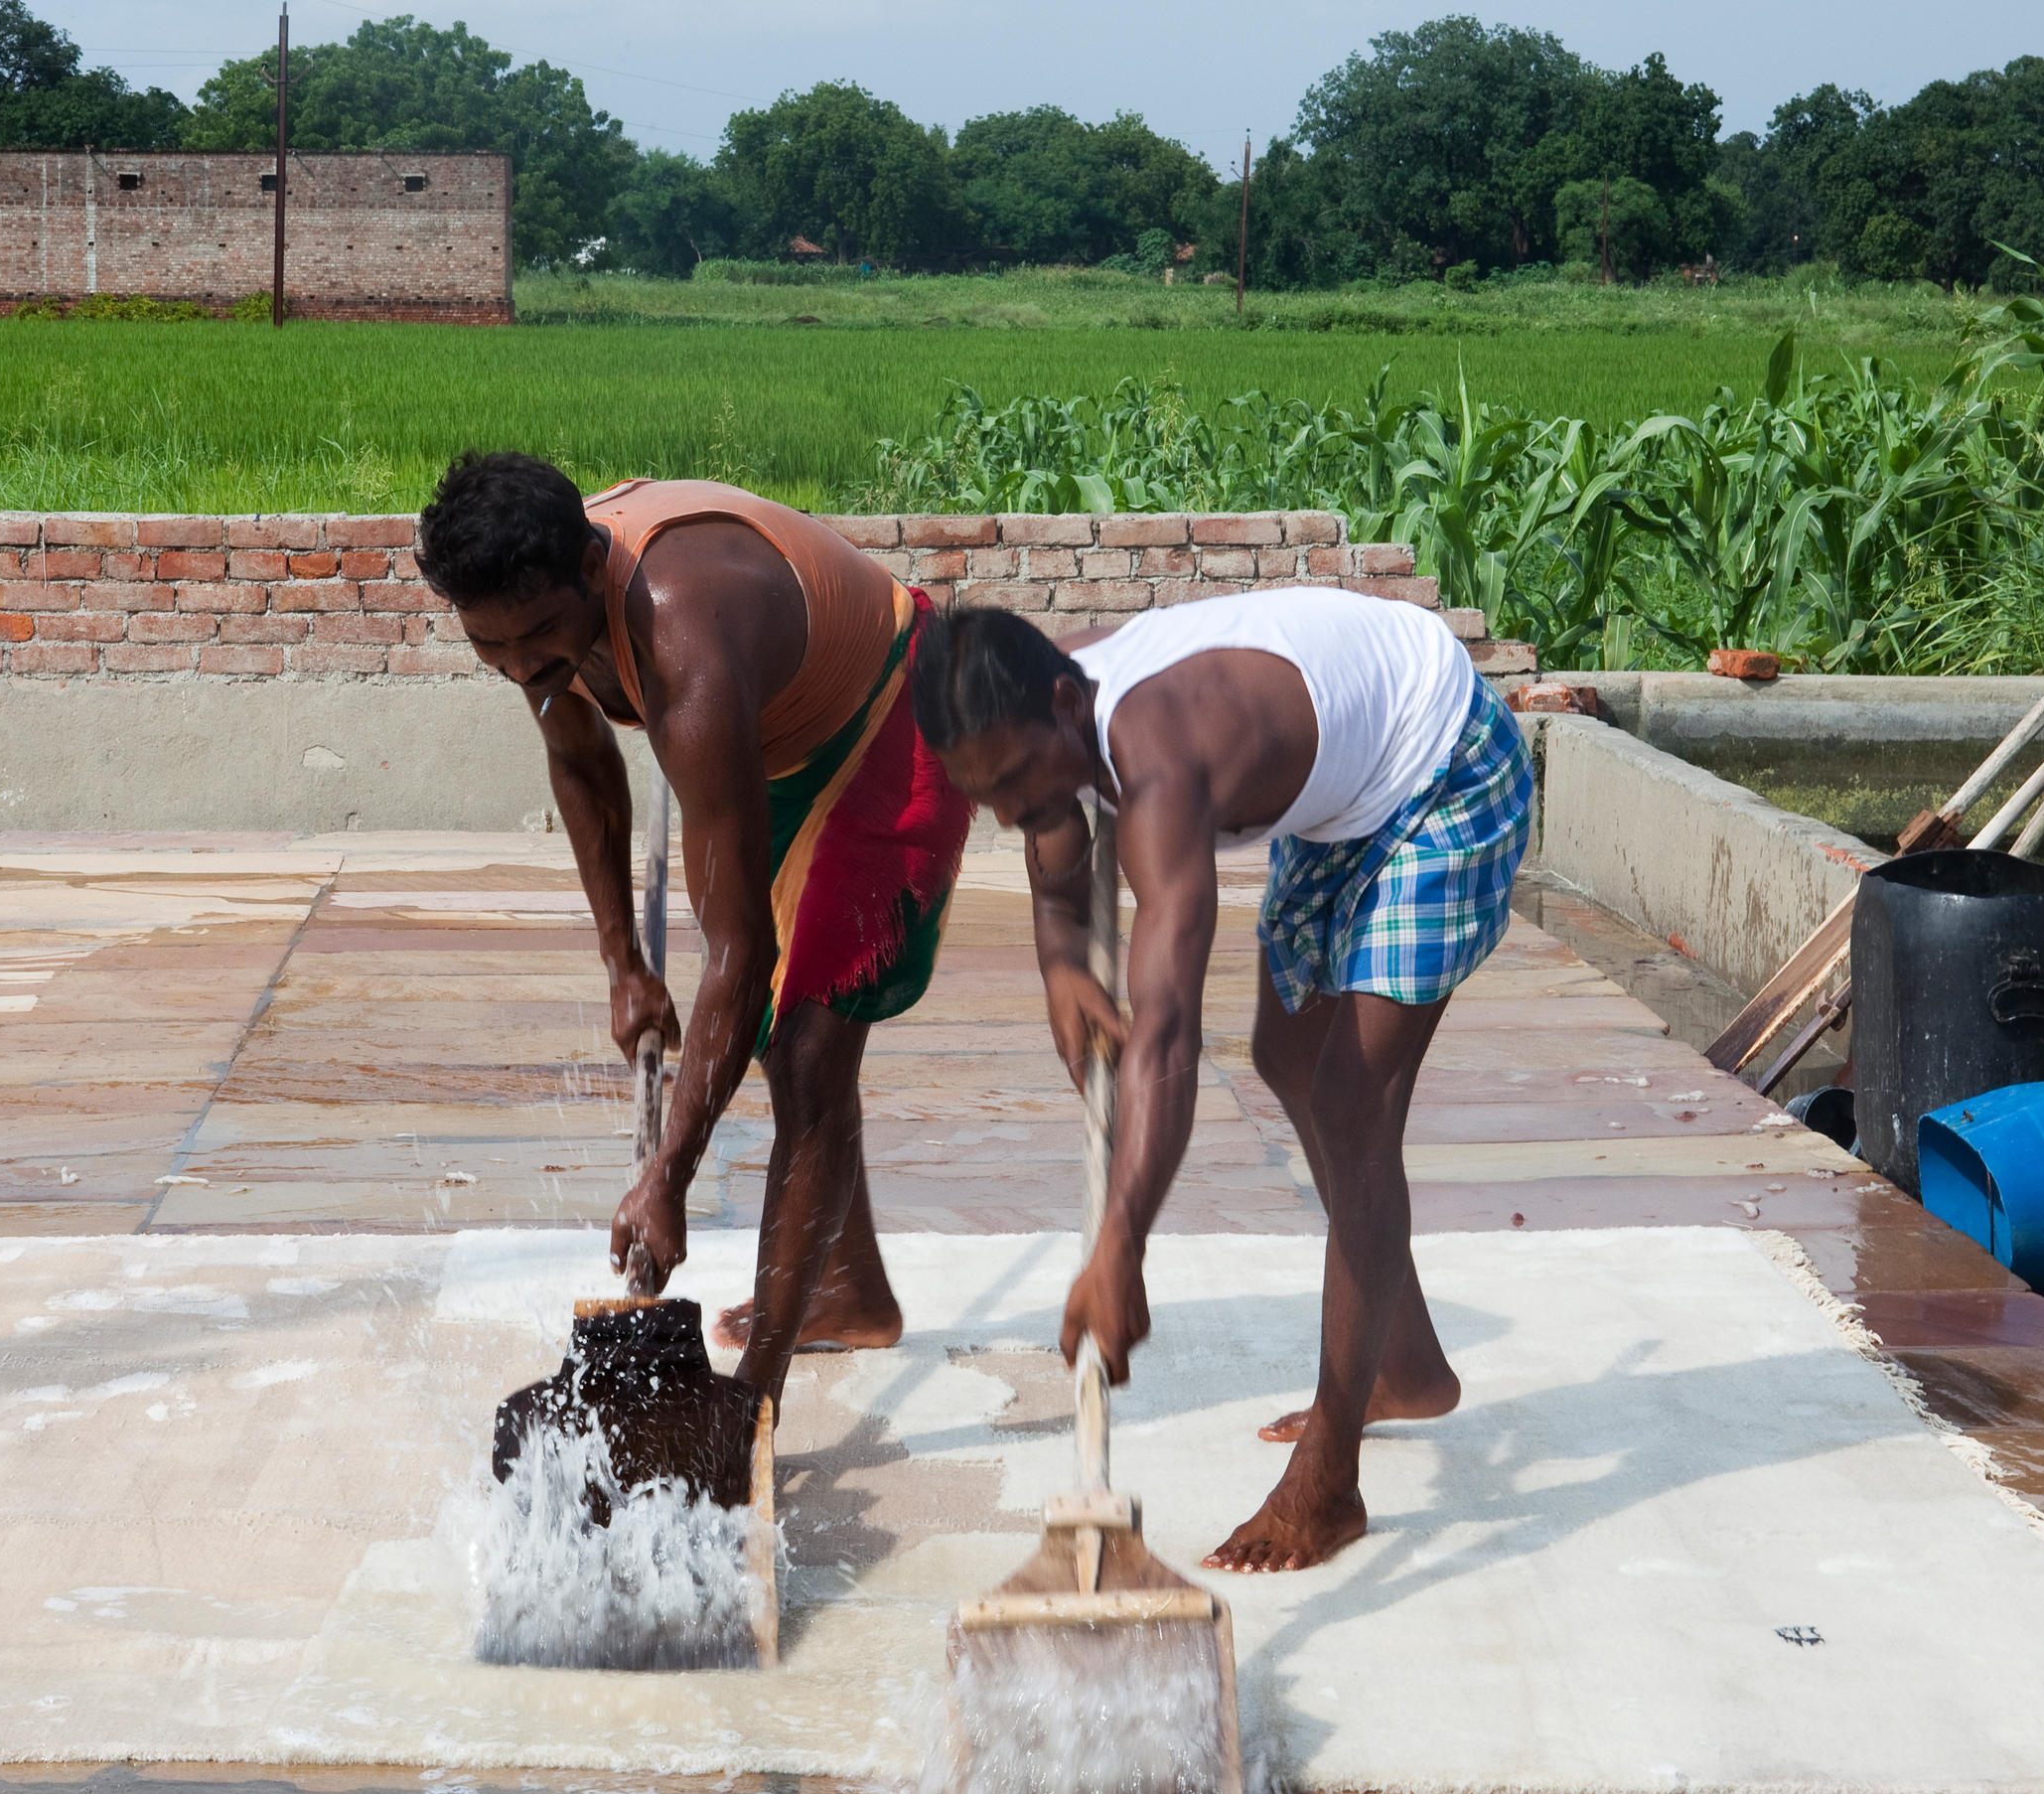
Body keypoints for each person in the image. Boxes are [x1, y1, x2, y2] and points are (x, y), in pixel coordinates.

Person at [911, 587, 1533, 1572]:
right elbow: (1054, 843)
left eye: (1022, 782)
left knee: (1351, 1104)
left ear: (1070, 707)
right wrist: (1060, 959)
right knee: (1288, 1054)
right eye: (987, 796)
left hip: (1444, 765)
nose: (1013, 815)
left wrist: (1119, 1246)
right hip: (1341, 798)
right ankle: (1404, 1363)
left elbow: (1164, 1038)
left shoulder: (1161, 760)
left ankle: (1332, 1480)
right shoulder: (1034, 697)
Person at [414, 454, 972, 1408]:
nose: (521, 670)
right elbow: (582, 759)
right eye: (489, 650)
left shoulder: (683, 641)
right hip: (781, 729)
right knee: (762, 1039)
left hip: (897, 715)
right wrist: (623, 964)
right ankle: (844, 1289)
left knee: (803, 1049)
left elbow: (741, 956)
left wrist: (668, 1177)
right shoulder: (530, 600)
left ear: (593, 569)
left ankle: (754, 1401)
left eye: (539, 641)